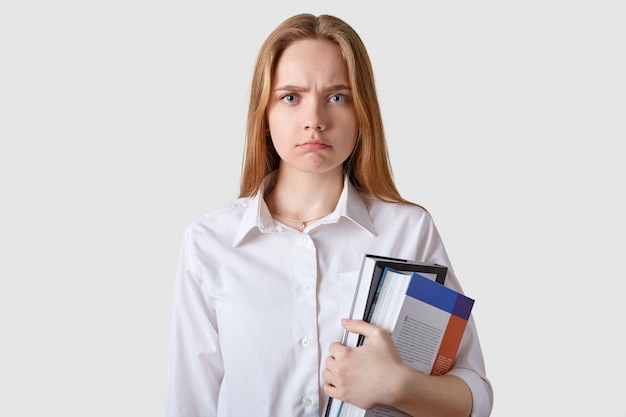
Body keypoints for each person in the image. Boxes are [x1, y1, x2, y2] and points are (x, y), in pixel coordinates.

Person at [166, 13, 493, 417]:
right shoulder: (209, 241)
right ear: (263, 115)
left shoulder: (409, 232)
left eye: (337, 96)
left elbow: (474, 394)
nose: (315, 120)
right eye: (291, 97)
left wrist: (400, 386)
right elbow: (189, 402)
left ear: (362, 114)